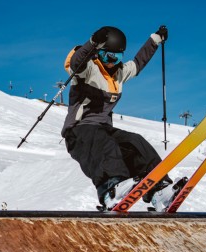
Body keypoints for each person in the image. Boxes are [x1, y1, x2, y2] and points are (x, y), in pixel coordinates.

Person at [61, 25, 179, 210]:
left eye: (118, 57)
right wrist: (92, 42)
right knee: (105, 144)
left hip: (103, 129)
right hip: (79, 131)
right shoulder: (89, 70)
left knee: (135, 142)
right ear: (99, 53)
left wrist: (155, 40)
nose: (112, 62)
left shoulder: (119, 73)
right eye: (109, 56)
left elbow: (139, 63)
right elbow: (77, 63)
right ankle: (111, 188)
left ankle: (159, 189)